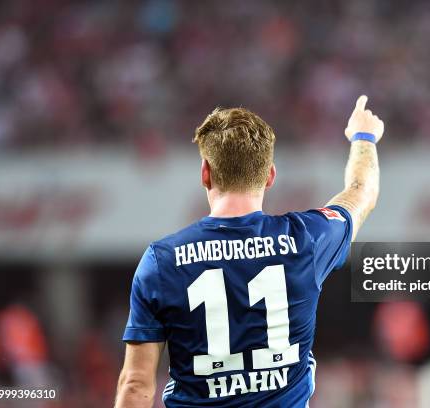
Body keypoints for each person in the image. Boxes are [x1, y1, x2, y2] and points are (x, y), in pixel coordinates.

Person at [114, 95, 383, 407]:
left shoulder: (162, 260)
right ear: (270, 176)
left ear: (205, 172)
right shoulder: (306, 239)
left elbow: (135, 385)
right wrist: (364, 137)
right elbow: (361, 192)